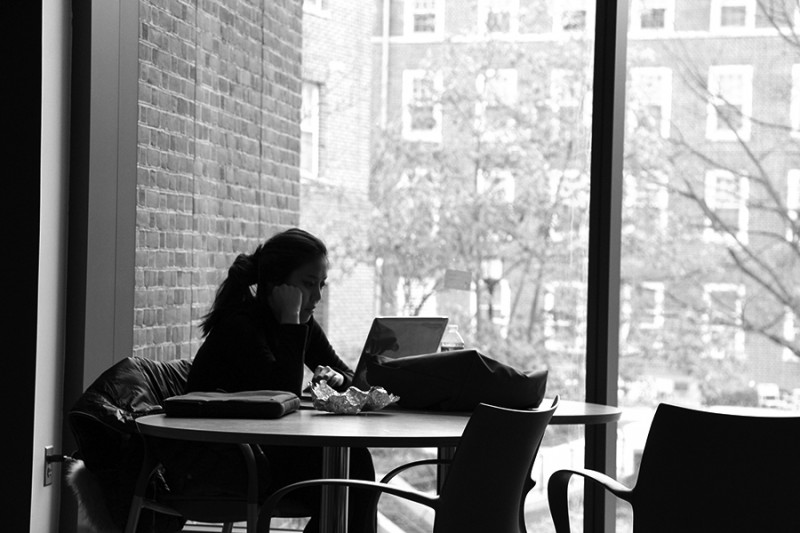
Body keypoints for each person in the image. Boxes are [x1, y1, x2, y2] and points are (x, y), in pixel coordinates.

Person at [160, 228, 377, 533]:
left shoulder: (301, 321)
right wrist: (291, 319)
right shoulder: (240, 326)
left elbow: (356, 379)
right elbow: (282, 395)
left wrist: (337, 377)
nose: (317, 296)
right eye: (308, 284)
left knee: (353, 471)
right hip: (228, 459)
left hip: (262, 450)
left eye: (322, 285)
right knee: (350, 475)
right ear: (278, 283)